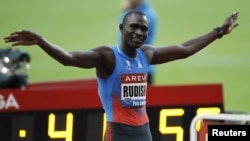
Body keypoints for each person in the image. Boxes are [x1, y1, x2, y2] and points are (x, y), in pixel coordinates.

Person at [3, 10, 239, 141]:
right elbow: (69, 59)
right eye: (133, 27)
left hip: (144, 131)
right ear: (121, 29)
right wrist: (41, 41)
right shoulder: (107, 57)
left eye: (144, 29)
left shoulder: (146, 54)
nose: (139, 32)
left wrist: (219, 31)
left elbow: (184, 50)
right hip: (119, 133)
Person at [118, 0, 158, 84]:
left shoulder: (147, 15)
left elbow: (132, 42)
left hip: (141, 67)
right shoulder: (128, 11)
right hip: (126, 66)